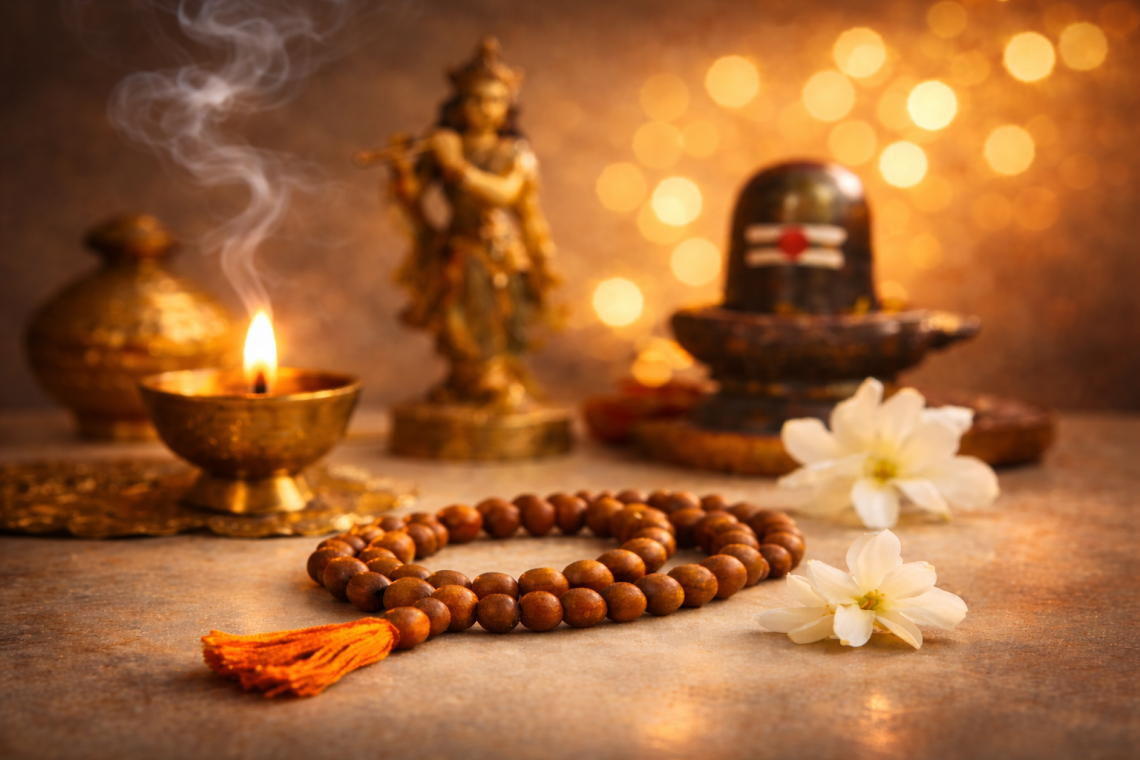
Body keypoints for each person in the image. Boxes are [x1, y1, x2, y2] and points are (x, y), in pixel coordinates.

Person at [385, 37, 559, 411]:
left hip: (498, 248)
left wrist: (458, 169)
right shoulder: (444, 145)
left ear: (508, 106)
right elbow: (414, 196)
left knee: (493, 314)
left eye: (495, 100)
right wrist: (400, 168)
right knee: (454, 314)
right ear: (459, 104)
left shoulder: (513, 152)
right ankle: (462, 378)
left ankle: (493, 377)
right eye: (477, 99)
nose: (485, 108)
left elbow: (506, 194)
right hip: (457, 246)